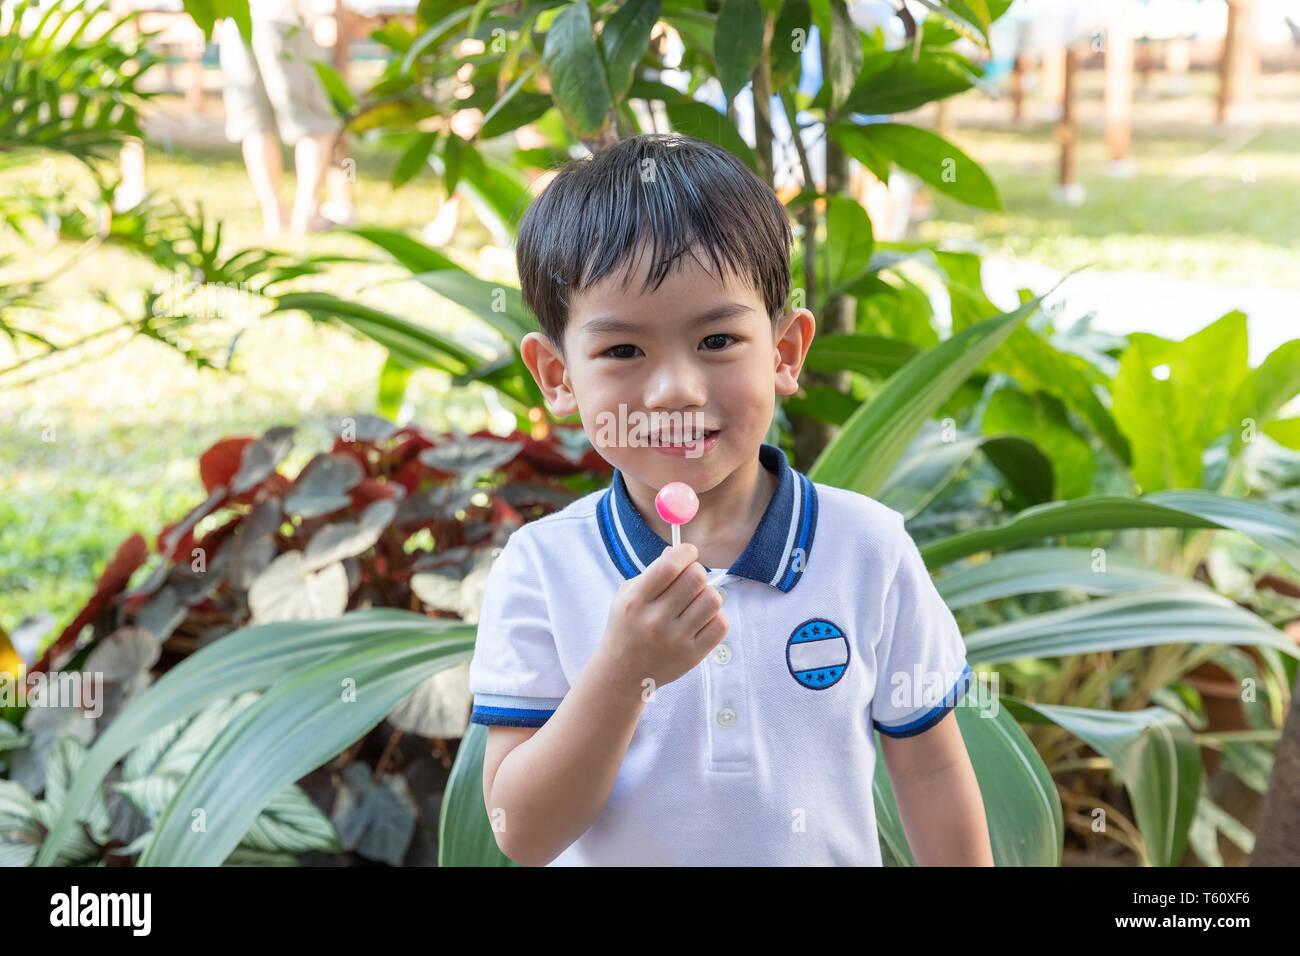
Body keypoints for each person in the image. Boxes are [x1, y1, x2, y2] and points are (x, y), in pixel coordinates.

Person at [467, 133, 994, 866]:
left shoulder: (866, 549)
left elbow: (931, 769)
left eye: (717, 339)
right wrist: (624, 671)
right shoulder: (542, 569)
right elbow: (521, 832)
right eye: (623, 351)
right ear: (556, 375)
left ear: (784, 353)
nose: (677, 388)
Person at [217, 1, 350, 238]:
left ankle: (275, 216)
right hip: (282, 18)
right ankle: (306, 213)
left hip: (235, 22)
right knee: (315, 123)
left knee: (255, 124)